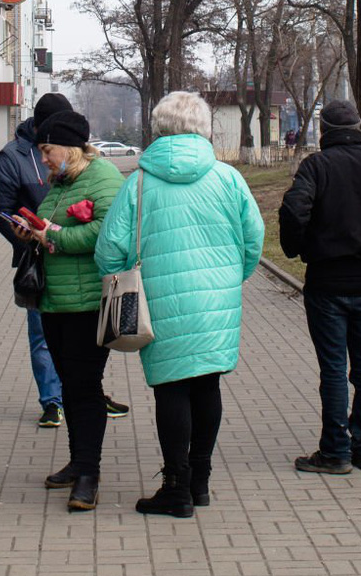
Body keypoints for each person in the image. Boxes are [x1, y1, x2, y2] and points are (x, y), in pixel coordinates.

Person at [97, 92, 264, 516]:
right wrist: (230, 278)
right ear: (203, 128)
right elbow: (254, 240)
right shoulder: (228, 179)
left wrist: (127, 275)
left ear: (158, 129)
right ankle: (200, 482)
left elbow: (109, 250)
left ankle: (177, 487)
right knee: (207, 384)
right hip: (217, 299)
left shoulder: (137, 182)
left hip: (158, 300)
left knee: (171, 388)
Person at [13, 109, 125, 512]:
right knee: (68, 386)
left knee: (85, 388)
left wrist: (53, 236)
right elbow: (52, 225)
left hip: (88, 303)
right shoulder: (62, 182)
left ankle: (89, 475)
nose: (43, 159)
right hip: (56, 301)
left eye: (47, 150)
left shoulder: (104, 177)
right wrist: (32, 232)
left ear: (69, 147)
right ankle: (78, 462)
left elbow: (107, 232)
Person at [278, 98, 361, 475]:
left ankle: (335, 450)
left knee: (333, 368)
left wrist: (298, 246)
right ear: (358, 128)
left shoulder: (316, 166)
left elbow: (294, 208)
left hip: (327, 281)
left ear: (323, 131)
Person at [0, 93, 70, 429]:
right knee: (42, 334)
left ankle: (80, 392)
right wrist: (25, 238)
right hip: (36, 261)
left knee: (78, 333)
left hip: (73, 256)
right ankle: (52, 401)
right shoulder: (13, 156)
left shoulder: (72, 150)